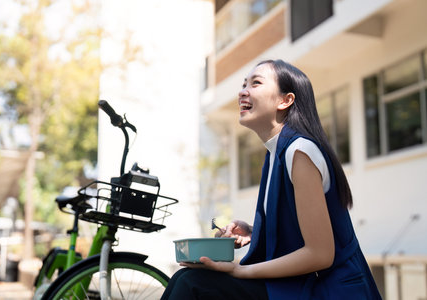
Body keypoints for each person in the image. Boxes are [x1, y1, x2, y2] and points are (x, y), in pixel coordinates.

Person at [161, 59, 382, 299]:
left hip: (326, 290)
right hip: (297, 286)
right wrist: (254, 232)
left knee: (193, 283)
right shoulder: (276, 152)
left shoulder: (300, 151)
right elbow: (301, 233)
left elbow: (320, 254)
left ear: (285, 100)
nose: (242, 91)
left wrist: (239, 270)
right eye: (244, 84)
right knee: (184, 278)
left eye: (255, 83)